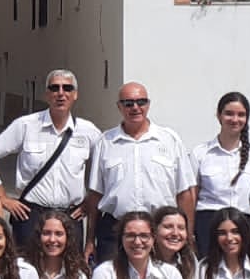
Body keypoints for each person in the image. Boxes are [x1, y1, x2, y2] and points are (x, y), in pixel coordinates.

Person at [78, 82, 191, 263]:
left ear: (148, 104)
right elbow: (95, 196)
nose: (135, 108)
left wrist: (188, 237)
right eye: (128, 103)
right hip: (115, 231)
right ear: (119, 107)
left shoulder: (170, 140)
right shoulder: (105, 142)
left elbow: (184, 194)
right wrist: (90, 240)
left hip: (160, 230)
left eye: (141, 102)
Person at [0, 69, 102, 246]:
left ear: (75, 94)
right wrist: (3, 198)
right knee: (28, 270)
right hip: (31, 216)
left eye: (67, 88)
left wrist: (90, 201)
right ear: (46, 95)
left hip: (70, 217)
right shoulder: (25, 125)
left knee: (70, 271)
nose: (61, 93)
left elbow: (104, 168)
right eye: (55, 88)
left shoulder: (88, 131)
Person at [191, 91, 250, 252]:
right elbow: (192, 197)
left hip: (242, 224)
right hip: (208, 224)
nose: (235, 119)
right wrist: (190, 233)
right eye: (229, 114)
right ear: (218, 115)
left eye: (241, 115)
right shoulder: (200, 153)